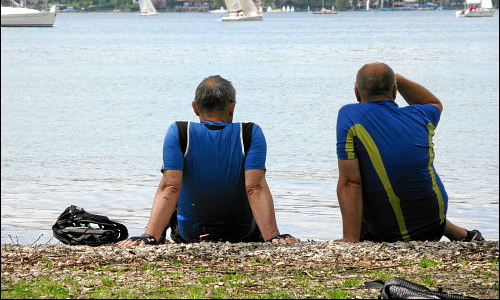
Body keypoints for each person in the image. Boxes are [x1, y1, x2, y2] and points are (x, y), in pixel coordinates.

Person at [119, 75, 299, 246]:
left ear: (195, 107)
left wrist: (148, 236)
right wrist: (273, 237)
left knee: (176, 193)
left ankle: (154, 237)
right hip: (242, 232)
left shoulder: (180, 132)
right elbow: (255, 188)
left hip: (191, 234)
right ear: (232, 107)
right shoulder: (250, 133)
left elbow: (170, 187)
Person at [335, 62, 485, 243]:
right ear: (395, 91)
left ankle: (355, 236)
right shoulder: (422, 115)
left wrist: (350, 238)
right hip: (434, 222)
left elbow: (351, 183)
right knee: (405, 178)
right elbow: (433, 102)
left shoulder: (350, 115)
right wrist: (394, 77)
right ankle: (465, 236)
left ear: (357, 93)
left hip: (389, 232)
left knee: (365, 172)